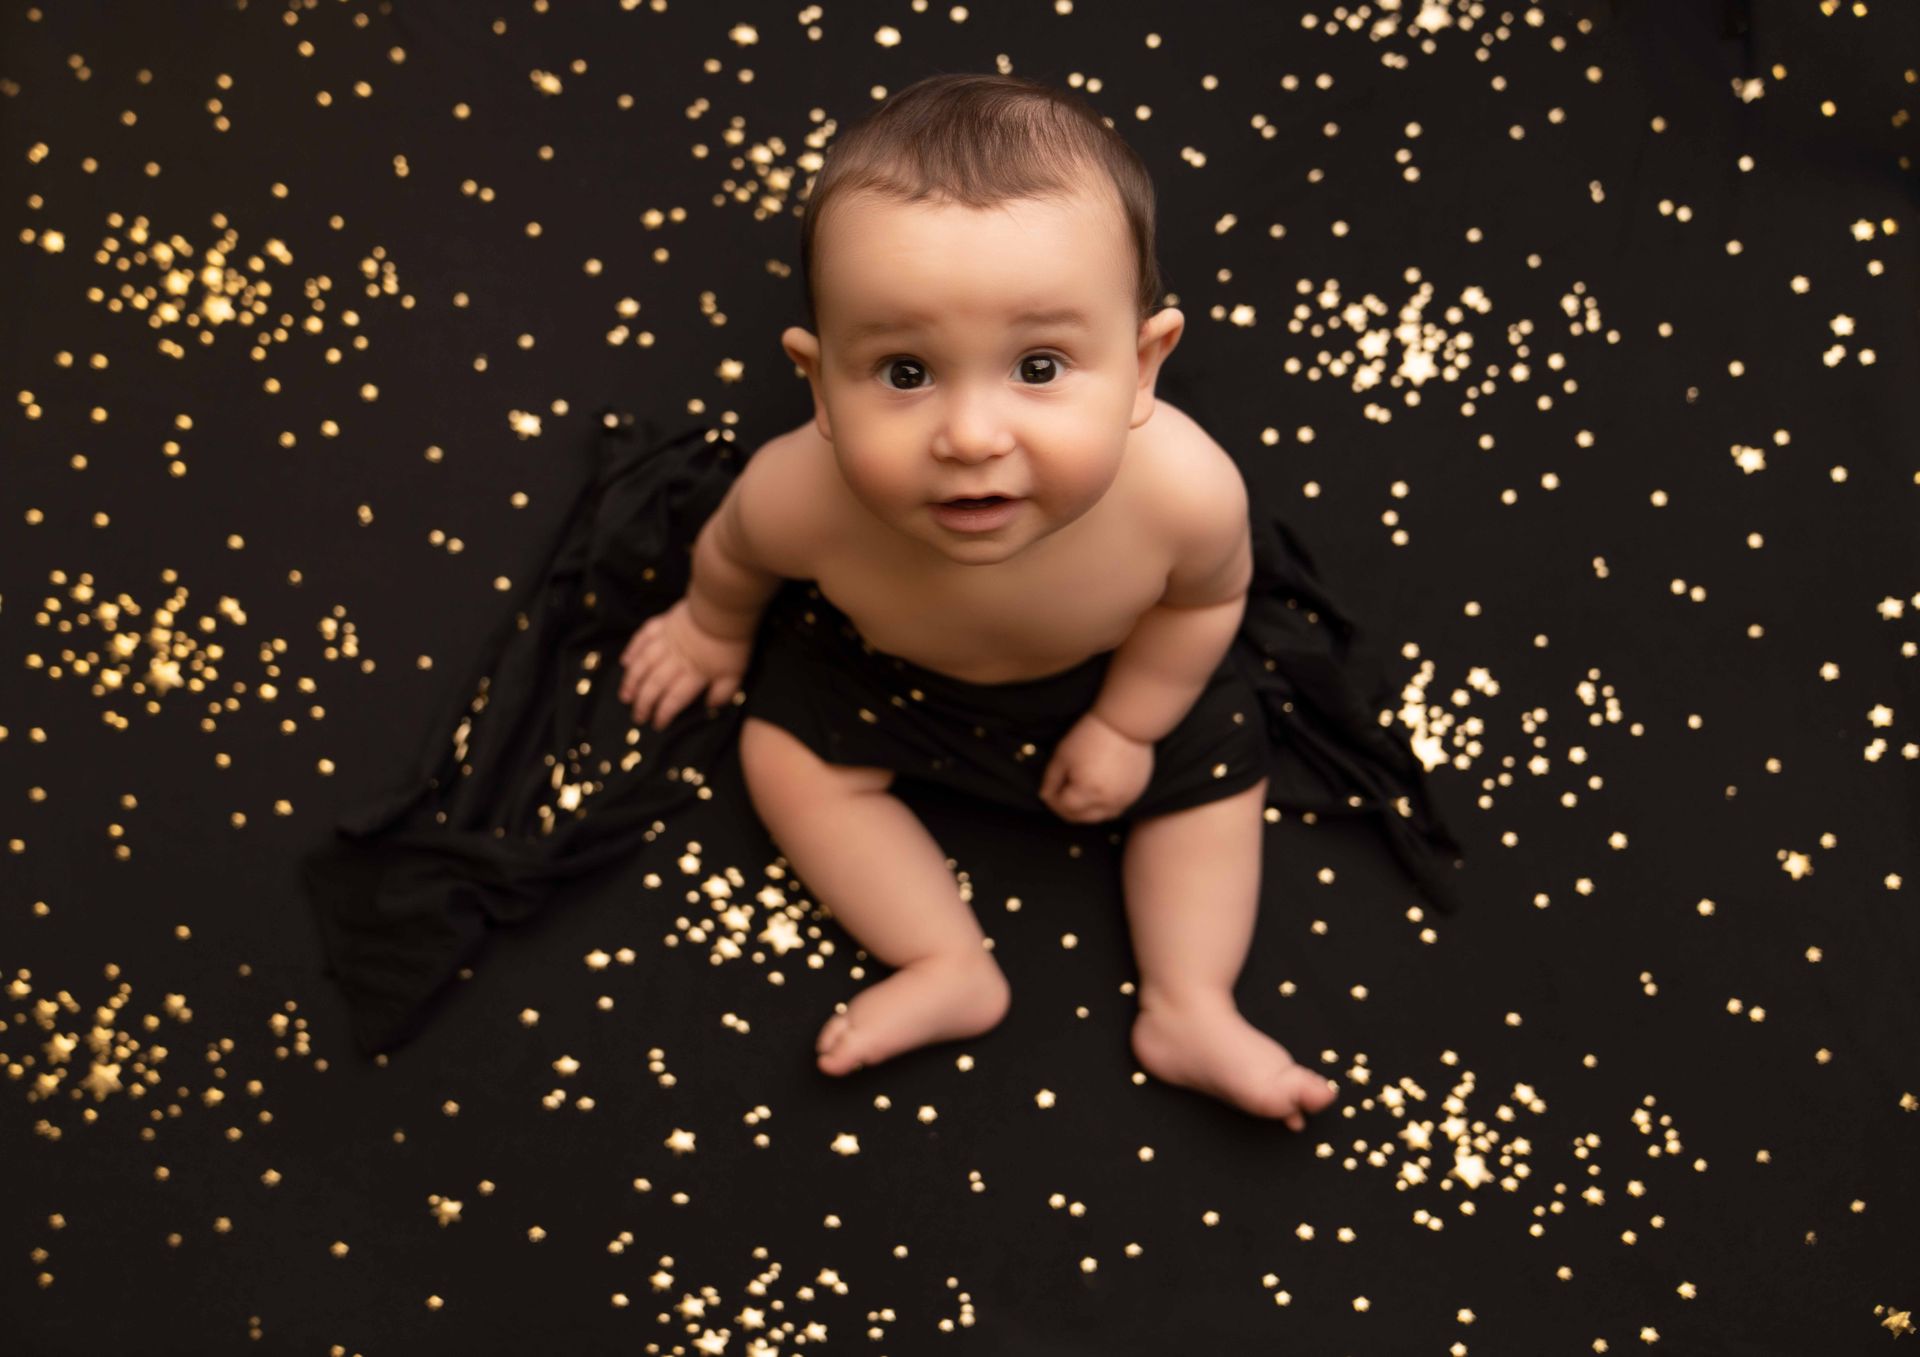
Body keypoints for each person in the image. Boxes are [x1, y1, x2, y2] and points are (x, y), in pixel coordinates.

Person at [615, 72, 1465, 1129]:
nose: (972, 436)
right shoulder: (798, 495)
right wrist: (710, 625)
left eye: (1041, 364)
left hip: (1111, 676)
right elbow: (734, 554)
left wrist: (1127, 724)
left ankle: (1190, 1003)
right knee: (784, 756)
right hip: (889, 675)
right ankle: (941, 956)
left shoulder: (1186, 496)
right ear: (819, 379)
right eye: (906, 372)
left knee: (1215, 776)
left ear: (1146, 365)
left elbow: (1204, 609)